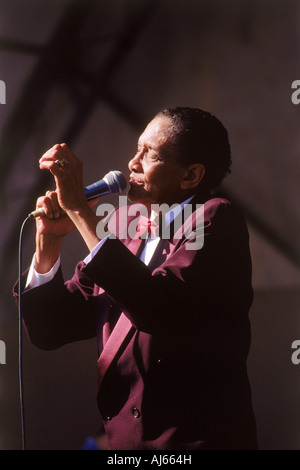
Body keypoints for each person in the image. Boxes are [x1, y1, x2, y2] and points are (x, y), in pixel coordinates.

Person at [14, 107, 257, 450]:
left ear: (190, 176)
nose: (133, 162)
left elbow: (158, 307)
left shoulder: (216, 218)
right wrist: (48, 242)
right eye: (137, 148)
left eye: (151, 154)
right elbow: (52, 328)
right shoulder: (126, 228)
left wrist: (80, 211)